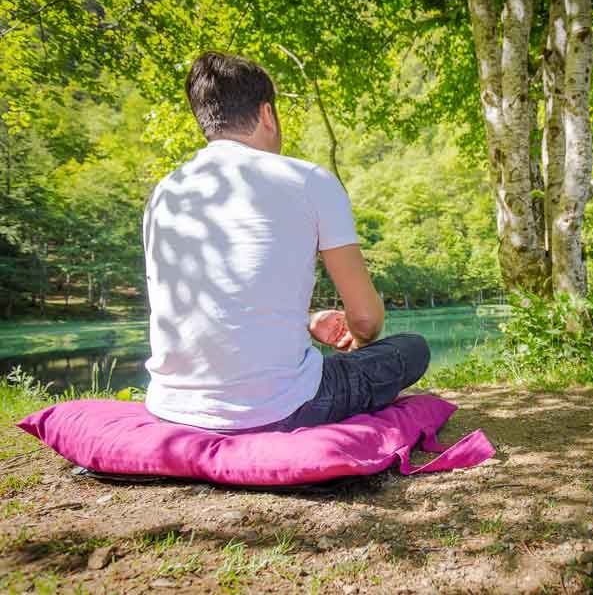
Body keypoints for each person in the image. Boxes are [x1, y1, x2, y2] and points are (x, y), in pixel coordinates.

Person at [141, 52, 430, 434]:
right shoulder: (308, 180)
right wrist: (359, 339)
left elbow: (215, 303)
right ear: (267, 114)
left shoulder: (166, 192)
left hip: (171, 408)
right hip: (279, 409)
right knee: (412, 348)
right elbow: (366, 319)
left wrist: (307, 321)